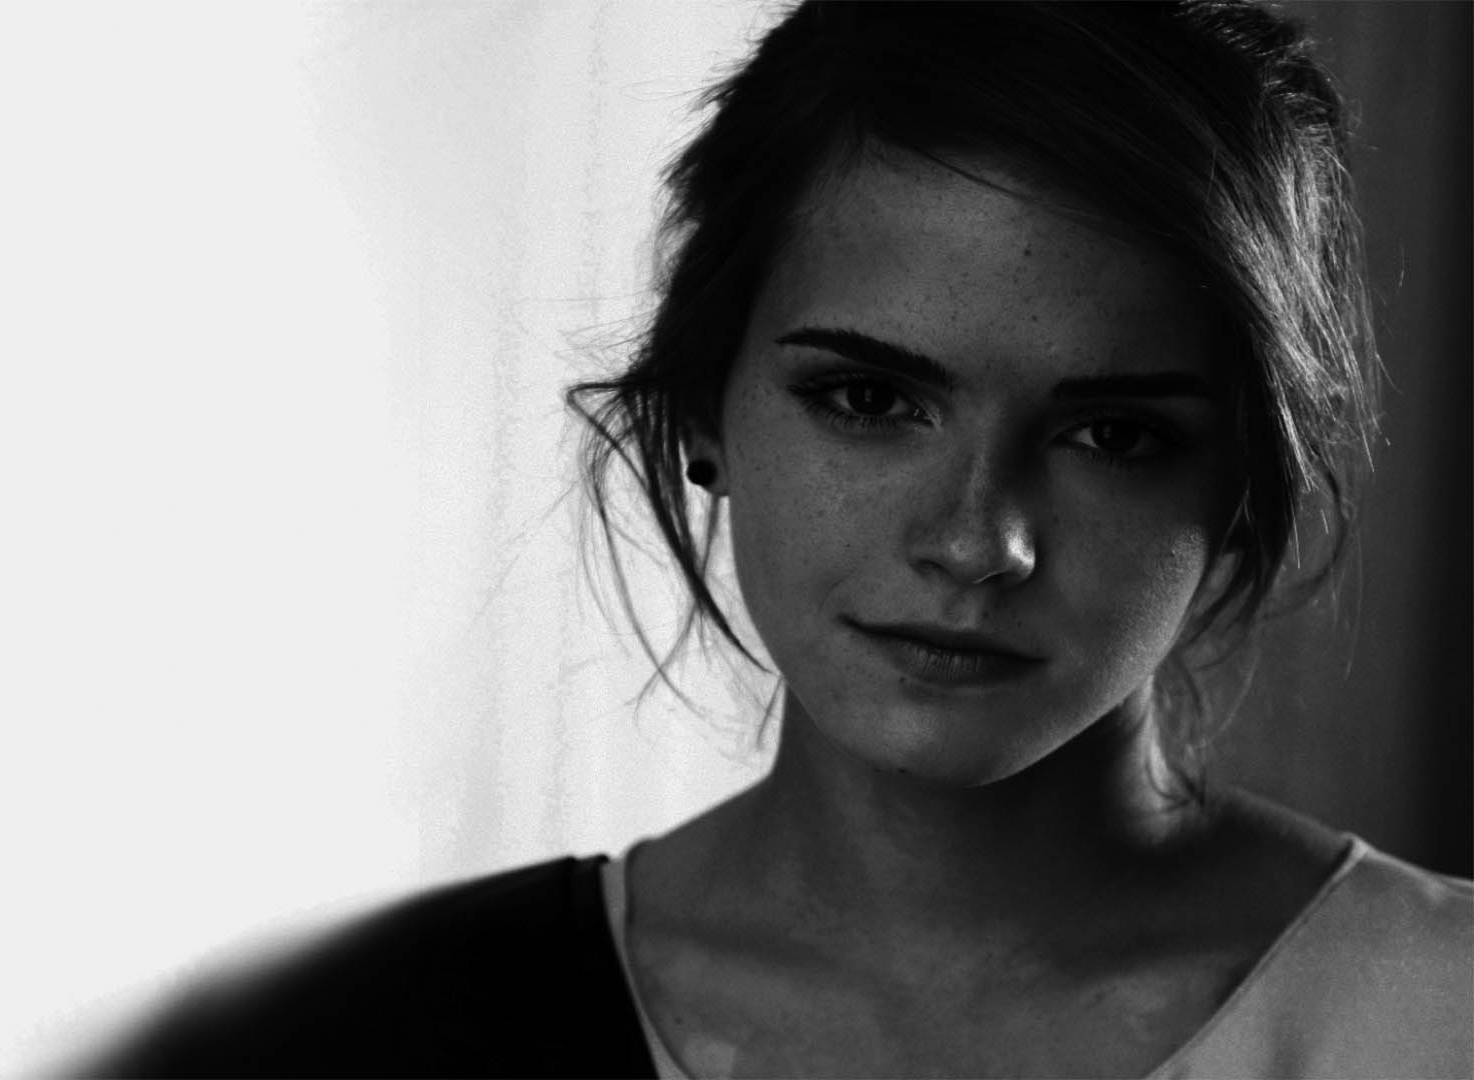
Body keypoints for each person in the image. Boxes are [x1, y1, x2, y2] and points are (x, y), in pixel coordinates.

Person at [76, 3, 1472, 1076]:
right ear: (704, 406)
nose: (976, 541)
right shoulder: (381, 1029)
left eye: (1112, 434)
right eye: (869, 400)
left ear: (1247, 484)